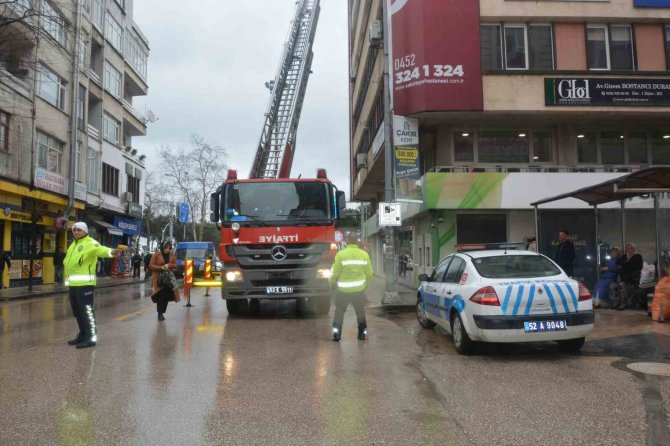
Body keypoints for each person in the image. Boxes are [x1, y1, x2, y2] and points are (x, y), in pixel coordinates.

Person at [63, 222, 121, 349]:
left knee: (86, 311)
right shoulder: (73, 244)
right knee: (77, 312)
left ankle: (91, 338)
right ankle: (83, 334)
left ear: (84, 231)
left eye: (78, 230)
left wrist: (111, 252)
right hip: (74, 285)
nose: (75, 232)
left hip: (85, 285)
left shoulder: (90, 242)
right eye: (73, 230)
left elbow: (101, 250)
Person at [329, 232, 373, 342]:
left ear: (347, 241)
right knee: (360, 312)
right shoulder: (364, 254)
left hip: (343, 291)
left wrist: (331, 284)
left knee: (339, 312)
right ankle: (362, 334)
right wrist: (365, 287)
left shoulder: (340, 255)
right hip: (358, 290)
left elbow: (334, 273)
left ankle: (336, 334)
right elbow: (369, 274)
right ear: (357, 241)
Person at [150, 241, 181, 321]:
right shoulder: (157, 254)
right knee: (160, 296)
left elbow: (176, 265)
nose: (168, 250)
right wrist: (161, 268)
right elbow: (151, 265)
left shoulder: (172, 255)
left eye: (169, 248)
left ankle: (162, 312)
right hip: (158, 279)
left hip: (168, 279)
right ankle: (159, 314)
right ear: (163, 247)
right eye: (166, 248)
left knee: (166, 296)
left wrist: (169, 265)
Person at [613, 243, 644, 311]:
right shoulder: (624, 256)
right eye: (628, 248)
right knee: (613, 286)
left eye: (631, 248)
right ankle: (617, 303)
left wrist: (625, 264)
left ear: (634, 249)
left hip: (633, 278)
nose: (629, 250)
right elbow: (618, 262)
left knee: (622, 286)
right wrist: (627, 264)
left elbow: (638, 266)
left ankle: (623, 304)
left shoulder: (637, 256)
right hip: (623, 278)